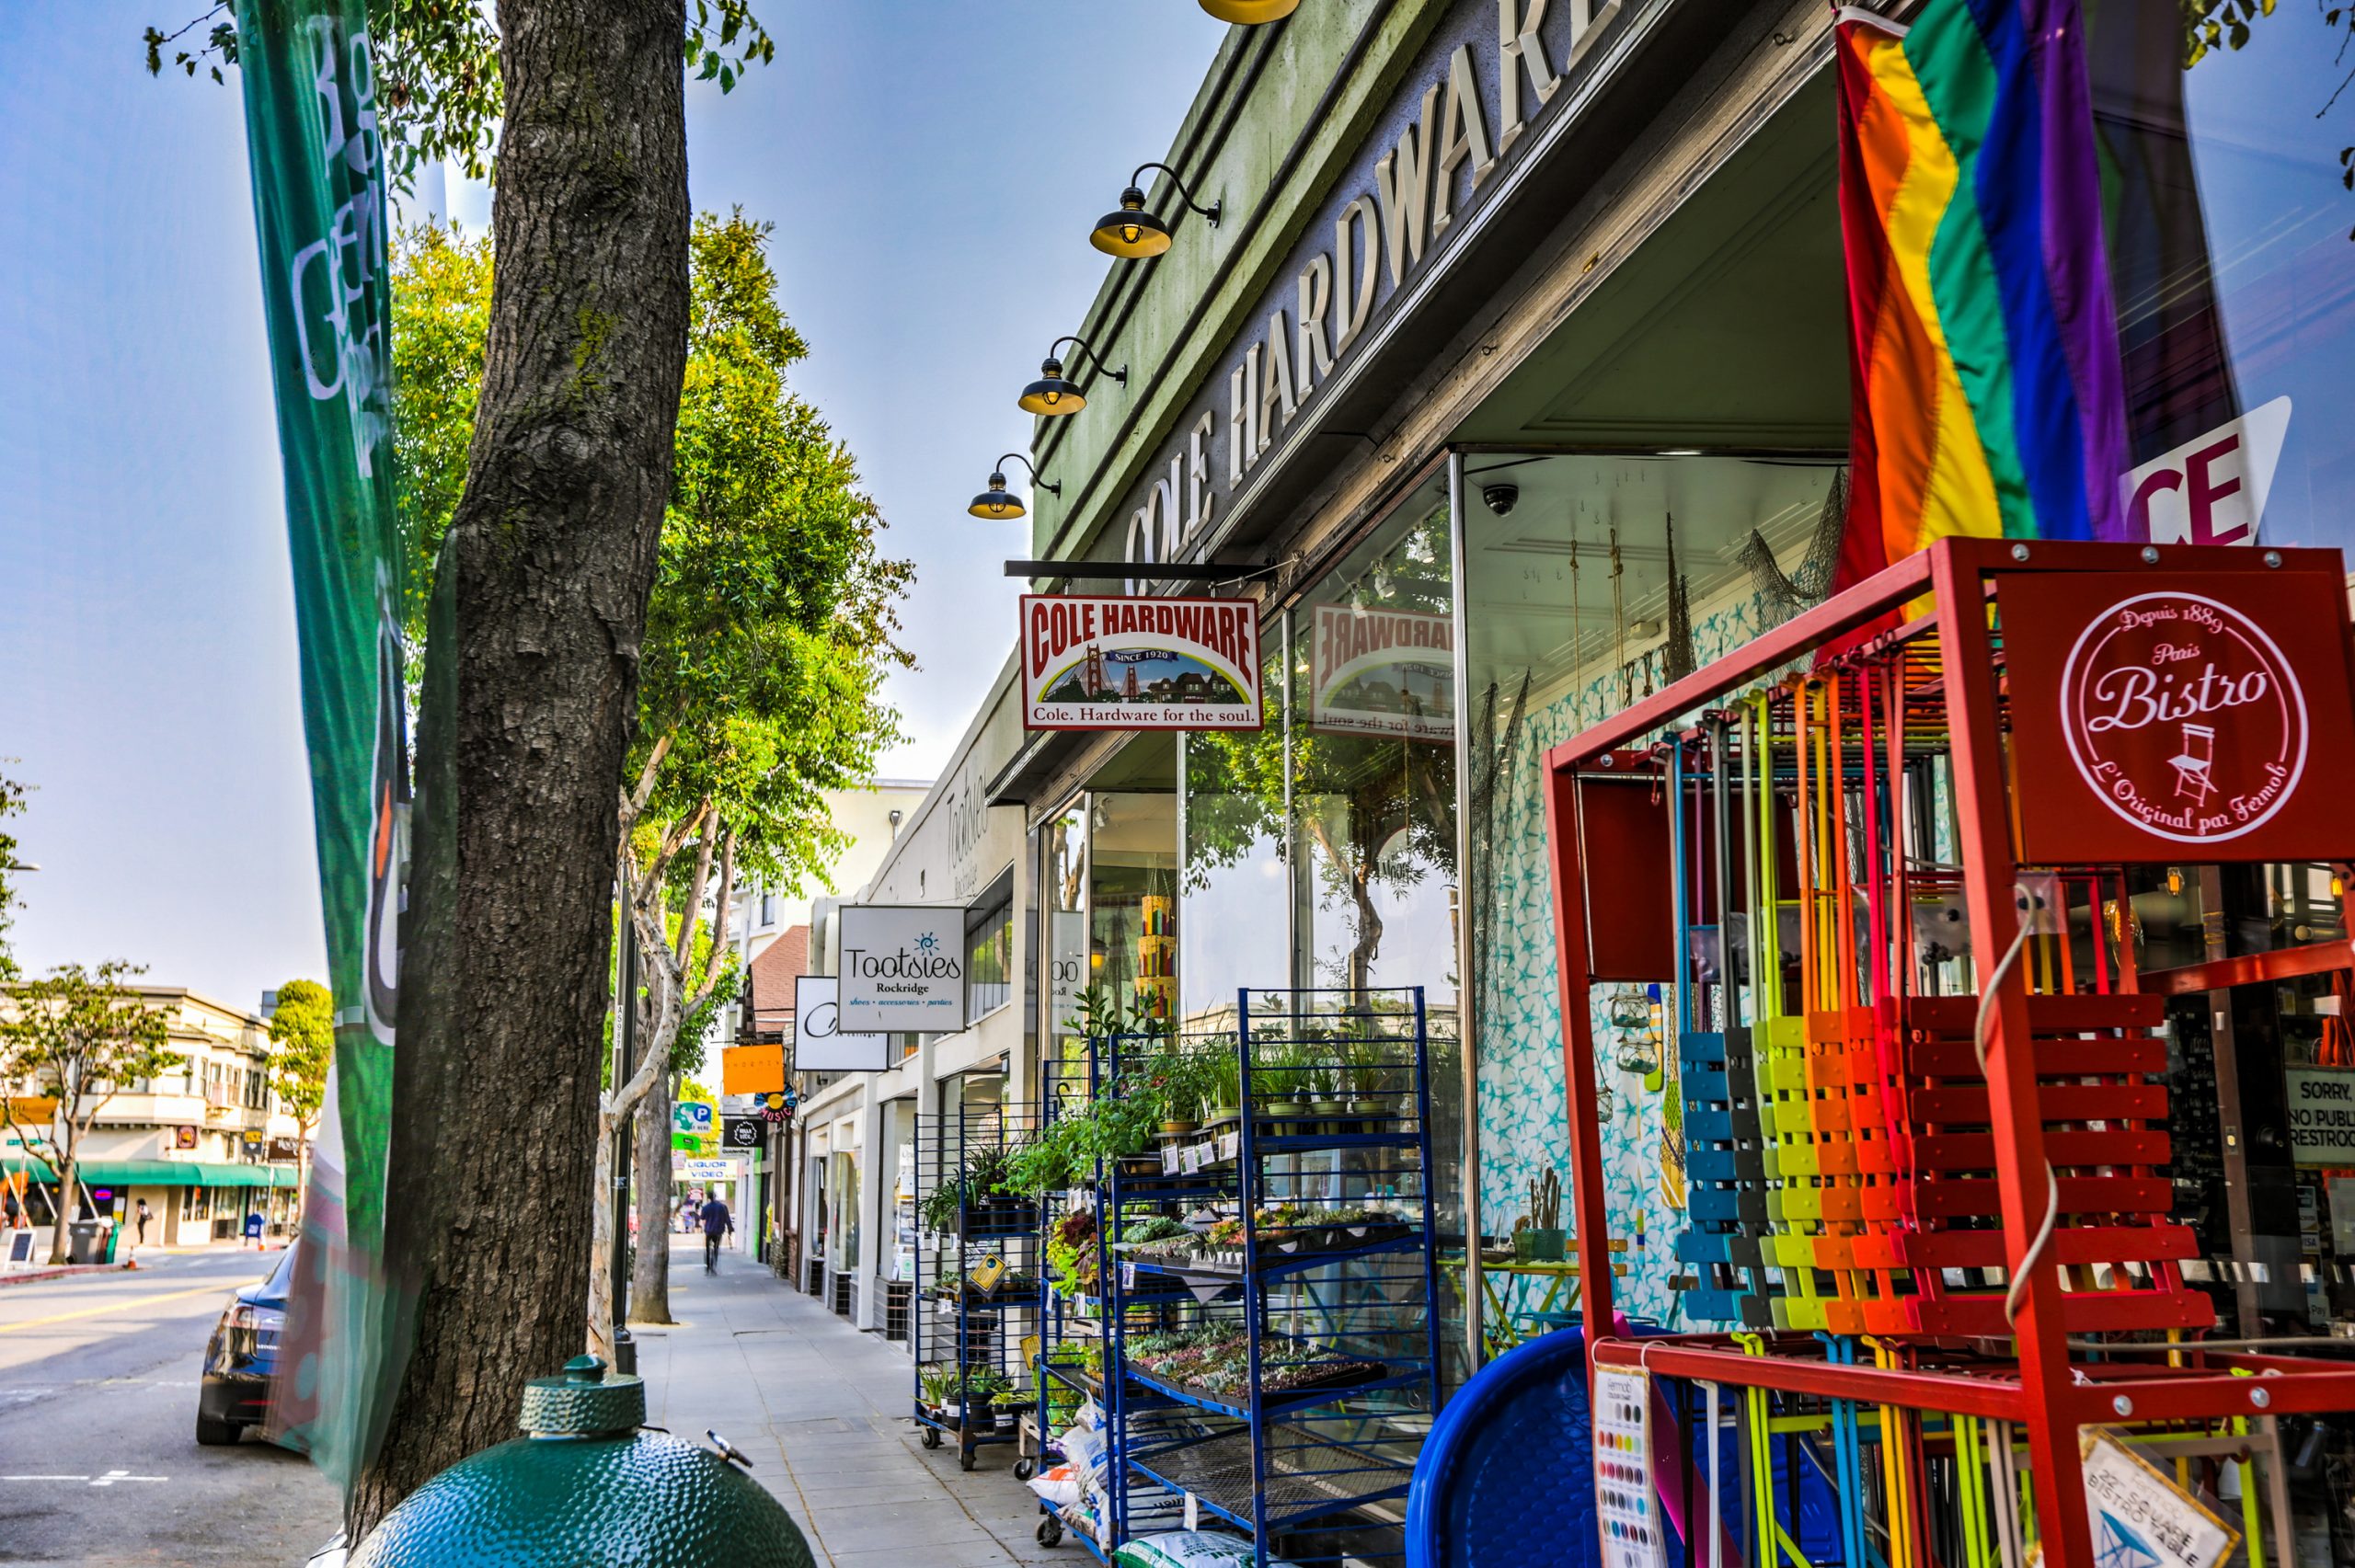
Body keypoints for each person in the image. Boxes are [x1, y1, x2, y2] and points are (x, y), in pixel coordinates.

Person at [699, 1191, 733, 1274]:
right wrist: (730, 1229)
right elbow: (727, 1219)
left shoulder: (706, 1207)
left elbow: (702, 1217)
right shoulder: (722, 1207)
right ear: (715, 1197)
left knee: (707, 1249)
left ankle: (708, 1267)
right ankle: (713, 1265)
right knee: (716, 1248)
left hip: (709, 1231)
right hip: (718, 1231)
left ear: (708, 1198)